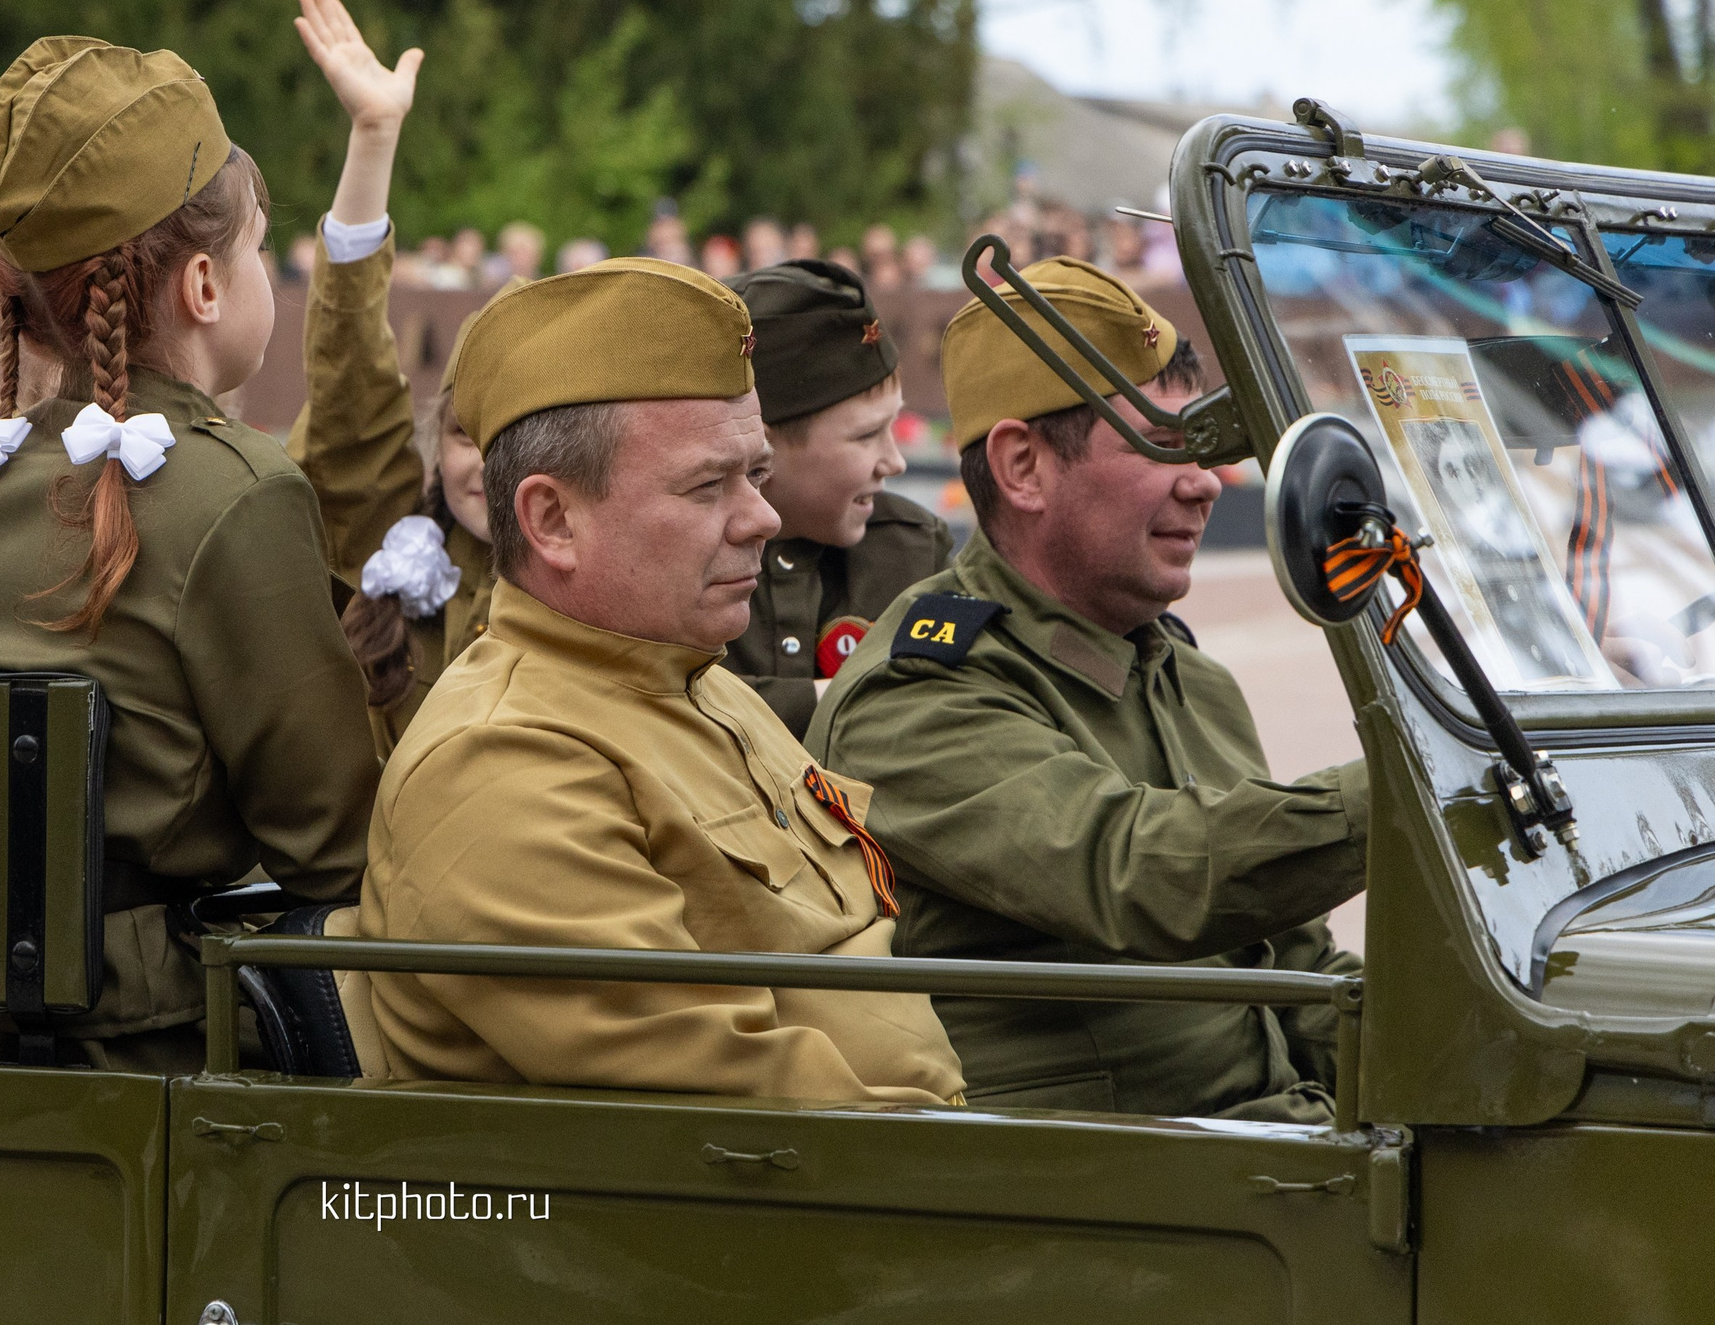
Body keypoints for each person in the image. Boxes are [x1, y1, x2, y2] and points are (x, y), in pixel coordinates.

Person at [0, 35, 380, 1070]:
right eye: (254, 248)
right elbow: (336, 845)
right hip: (157, 1063)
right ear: (204, 283)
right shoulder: (233, 491)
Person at [361, 258, 965, 1105]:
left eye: (754, 475)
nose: (762, 518)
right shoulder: (503, 765)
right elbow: (729, 1104)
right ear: (552, 520)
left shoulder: (697, 683)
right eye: (706, 485)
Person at [808, 258, 1366, 1121]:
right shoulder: (915, 698)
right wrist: (1409, 791)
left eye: (1204, 449)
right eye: (1161, 446)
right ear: (1024, 466)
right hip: (1098, 1197)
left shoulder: (1189, 682)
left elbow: (1298, 968)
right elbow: (1135, 873)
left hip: (1267, 1160)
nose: (1206, 482)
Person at [279, 0, 497, 752]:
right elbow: (350, 384)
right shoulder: (400, 531)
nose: (484, 469)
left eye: (516, 444)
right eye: (468, 436)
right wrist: (373, 140)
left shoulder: (616, 589)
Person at [719, 261, 954, 737]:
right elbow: (669, 715)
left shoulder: (912, 551)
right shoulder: (684, 563)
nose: (895, 461)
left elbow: (943, 710)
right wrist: (842, 698)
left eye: (892, 426)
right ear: (757, 449)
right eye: (866, 435)